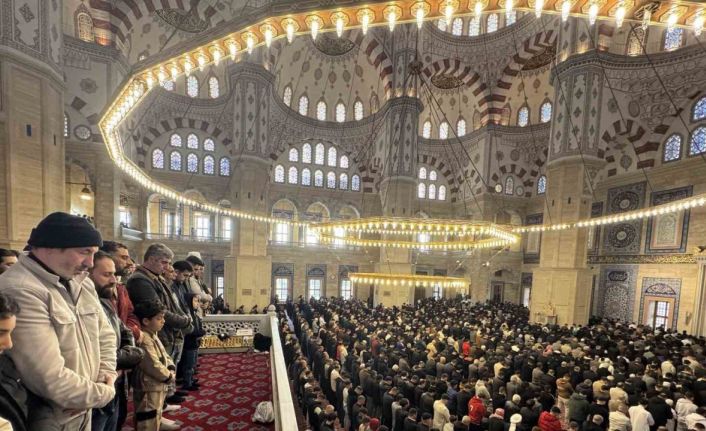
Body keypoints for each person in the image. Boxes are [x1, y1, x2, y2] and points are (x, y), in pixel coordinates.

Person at [0, 212, 117, 429]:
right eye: (84, 252)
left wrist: (104, 378)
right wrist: (105, 392)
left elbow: (106, 335)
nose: (90, 263)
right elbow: (47, 377)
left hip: (84, 406)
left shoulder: (81, 281)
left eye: (93, 253)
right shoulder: (21, 289)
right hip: (54, 416)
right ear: (51, 247)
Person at [126, 243, 192, 411]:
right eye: (164, 262)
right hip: (154, 332)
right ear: (151, 259)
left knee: (164, 373)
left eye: (169, 263)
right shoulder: (140, 280)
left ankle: (161, 407)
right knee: (153, 379)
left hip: (164, 332)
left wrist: (183, 319)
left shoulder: (155, 277)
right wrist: (184, 322)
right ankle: (153, 414)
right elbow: (158, 311)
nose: (168, 267)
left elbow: (171, 305)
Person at [89, 251, 144, 431]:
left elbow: (124, 330)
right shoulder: (83, 302)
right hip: (98, 383)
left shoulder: (104, 300)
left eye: (114, 274)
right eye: (107, 275)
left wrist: (130, 352)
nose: (114, 280)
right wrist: (124, 358)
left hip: (116, 379)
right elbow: (91, 352)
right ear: (86, 274)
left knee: (116, 422)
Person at [132, 300, 175, 431]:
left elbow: (164, 354)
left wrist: (171, 367)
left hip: (156, 383)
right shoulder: (144, 339)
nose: (163, 321)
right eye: (159, 318)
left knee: (156, 411)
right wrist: (168, 376)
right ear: (146, 321)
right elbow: (152, 364)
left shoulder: (153, 334)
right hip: (148, 385)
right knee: (147, 417)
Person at [0, 293, 29, 431]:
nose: (9, 344)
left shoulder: (5, 364)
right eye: (1, 333)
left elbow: (35, 406)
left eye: (10, 333)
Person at [179, 293, 204, 391]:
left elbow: (198, 325)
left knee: (193, 364)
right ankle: (187, 383)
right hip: (189, 343)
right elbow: (188, 329)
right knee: (188, 365)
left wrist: (200, 331)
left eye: (198, 301)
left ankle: (191, 380)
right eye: (195, 301)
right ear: (189, 302)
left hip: (194, 343)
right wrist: (198, 332)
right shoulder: (187, 314)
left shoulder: (194, 313)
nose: (198, 303)